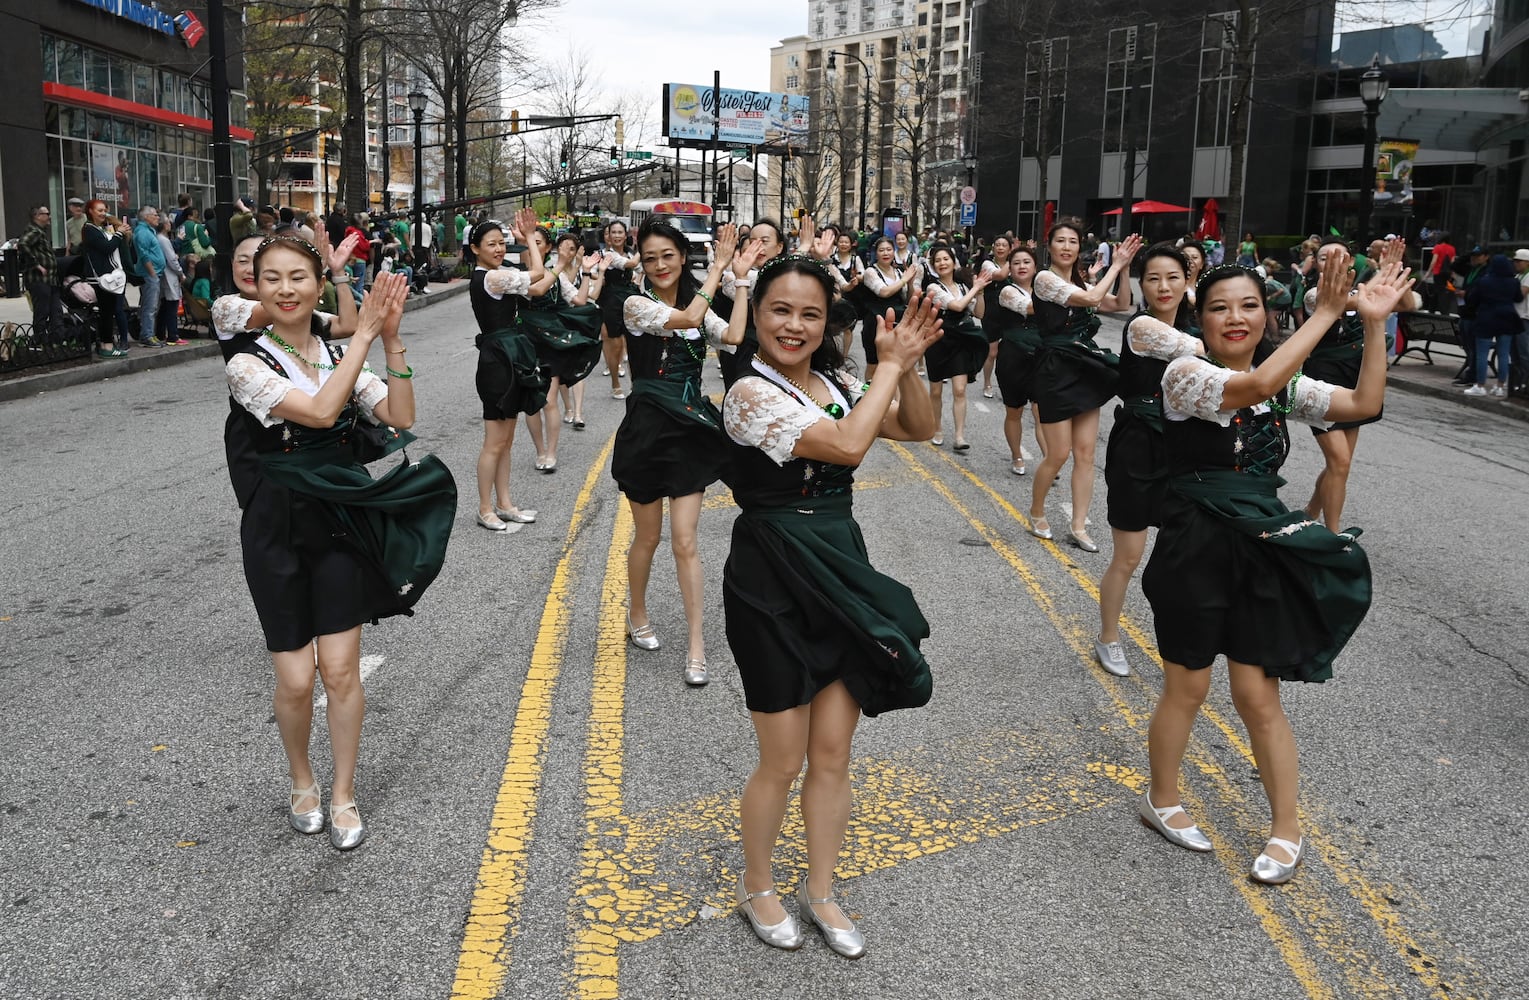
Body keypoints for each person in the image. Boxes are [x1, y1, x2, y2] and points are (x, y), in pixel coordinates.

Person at [1138, 251, 1413, 884]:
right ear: (1199, 319)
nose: (1235, 318)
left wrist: (1372, 322)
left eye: (1249, 305)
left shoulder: (1287, 384)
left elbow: (1364, 403)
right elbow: (1255, 389)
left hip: (1258, 544)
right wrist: (1324, 312)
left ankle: (1287, 826)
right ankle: (1161, 798)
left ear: (1266, 314)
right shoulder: (1184, 374)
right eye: (1219, 308)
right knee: (1188, 685)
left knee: (1258, 694)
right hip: (1194, 548)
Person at [721, 258, 941, 958]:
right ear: (755, 313)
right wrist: (886, 367)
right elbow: (847, 446)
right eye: (780, 310)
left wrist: (902, 365)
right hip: (770, 577)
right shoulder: (746, 395)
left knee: (832, 753)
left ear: (826, 324)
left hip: (839, 565)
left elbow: (920, 428)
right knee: (781, 760)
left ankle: (821, 892)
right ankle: (758, 886)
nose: (794, 325)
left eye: (810, 314)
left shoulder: (841, 382)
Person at [225, 242, 453, 852]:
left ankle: (343, 793)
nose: (285, 288)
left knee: (341, 671)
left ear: (319, 283)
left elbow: (401, 417)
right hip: (275, 528)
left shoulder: (336, 352)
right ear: (257, 288)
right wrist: (363, 338)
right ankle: (303, 781)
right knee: (297, 680)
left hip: (339, 523)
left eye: (298, 275)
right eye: (271, 278)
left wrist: (392, 341)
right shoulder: (248, 364)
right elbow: (323, 412)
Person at [615, 219, 748, 687]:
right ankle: (637, 613)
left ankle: (696, 645)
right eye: (650, 258)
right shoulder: (635, 305)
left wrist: (742, 280)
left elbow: (731, 336)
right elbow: (690, 320)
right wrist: (717, 270)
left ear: (680, 255)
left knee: (686, 541)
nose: (659, 265)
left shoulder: (699, 301)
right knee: (647, 538)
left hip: (689, 429)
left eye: (667, 255)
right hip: (649, 431)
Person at [1095, 245, 1203, 678]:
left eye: (1173, 277)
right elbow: (1202, 350)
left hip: (1185, 447)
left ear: (1186, 280)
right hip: (1139, 447)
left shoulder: (1197, 320)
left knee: (1184, 555)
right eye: (1154, 278)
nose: (1163, 286)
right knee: (1129, 555)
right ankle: (1108, 637)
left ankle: (1180, 637)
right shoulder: (1142, 326)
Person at [1026, 220, 1140, 552]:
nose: (1066, 246)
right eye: (1060, 240)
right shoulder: (1044, 280)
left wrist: (1123, 269)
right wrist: (1115, 265)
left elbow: (1120, 305)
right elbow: (1092, 298)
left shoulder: (1082, 280)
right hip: (1055, 370)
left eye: (1072, 241)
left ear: (1079, 247)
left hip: (1085, 367)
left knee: (1086, 454)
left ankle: (1078, 525)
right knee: (1058, 454)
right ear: (1049, 246)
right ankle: (1036, 511)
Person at [1300, 237, 1419, 530]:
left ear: (1352, 262)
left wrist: (1394, 272)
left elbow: (1405, 303)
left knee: (1340, 465)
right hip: (1323, 377)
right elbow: (1350, 300)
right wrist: (1384, 272)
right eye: (1325, 257)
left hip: (1357, 376)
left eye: (1340, 255)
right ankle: (1333, 536)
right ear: (1316, 263)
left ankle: (1309, 514)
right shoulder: (1315, 293)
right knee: (1339, 461)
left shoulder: (1366, 287)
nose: (1333, 260)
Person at [468, 209, 550, 533]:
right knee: (494, 441)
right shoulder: (491, 278)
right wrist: (529, 238)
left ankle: (505, 504)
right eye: (492, 244)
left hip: (510, 356)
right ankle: (485, 508)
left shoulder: (499, 275)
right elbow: (539, 273)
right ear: (475, 248)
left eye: (502, 243)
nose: (499, 249)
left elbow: (536, 285)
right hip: (497, 360)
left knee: (507, 439)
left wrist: (525, 242)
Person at [517, 227, 603, 471]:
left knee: (548, 400)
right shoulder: (517, 276)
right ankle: (540, 451)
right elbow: (535, 290)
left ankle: (551, 452)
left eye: (537, 242)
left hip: (550, 343)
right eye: (527, 242)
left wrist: (586, 273)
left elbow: (579, 301)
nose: (531, 246)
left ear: (546, 248)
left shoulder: (559, 276)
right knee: (531, 402)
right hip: (525, 342)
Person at [921, 243, 992, 451]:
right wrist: (976, 288)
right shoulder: (933, 288)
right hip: (939, 339)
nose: (942, 263)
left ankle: (960, 436)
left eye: (946, 259)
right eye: (938, 261)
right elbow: (957, 306)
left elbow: (979, 314)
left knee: (960, 389)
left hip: (961, 340)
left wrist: (979, 292)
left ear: (953, 262)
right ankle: (937, 428)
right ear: (933, 266)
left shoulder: (963, 287)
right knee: (935, 390)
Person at [992, 247, 1046, 476]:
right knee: (1014, 411)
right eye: (1016, 263)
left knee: (1041, 410)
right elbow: (1029, 308)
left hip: (1041, 355)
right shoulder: (1007, 291)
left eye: (1027, 262)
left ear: (1035, 267)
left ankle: (1048, 460)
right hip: (1013, 357)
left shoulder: (1044, 289)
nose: (1022, 266)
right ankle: (1017, 455)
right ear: (1009, 268)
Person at [859, 237, 922, 382]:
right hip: (876, 322)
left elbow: (908, 298)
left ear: (893, 252)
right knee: (874, 364)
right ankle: (868, 397)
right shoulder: (870, 271)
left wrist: (910, 282)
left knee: (895, 365)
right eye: (881, 250)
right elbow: (884, 292)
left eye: (889, 250)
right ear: (876, 253)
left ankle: (895, 402)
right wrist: (905, 280)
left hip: (897, 322)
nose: (885, 253)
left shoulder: (899, 273)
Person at [1462, 253, 1523, 397]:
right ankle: (1500, 386)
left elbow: (1472, 299)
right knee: (1503, 354)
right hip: (1507, 318)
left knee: (1482, 354)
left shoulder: (1484, 281)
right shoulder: (1513, 282)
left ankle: (1480, 385)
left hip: (1486, 318)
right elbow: (1518, 298)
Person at [79, 200, 133, 358]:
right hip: (101, 278)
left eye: (104, 210)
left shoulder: (98, 229)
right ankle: (108, 347)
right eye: (99, 210)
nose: (103, 213)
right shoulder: (89, 229)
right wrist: (119, 233)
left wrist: (119, 234)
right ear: (90, 211)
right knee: (107, 313)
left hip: (106, 276)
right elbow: (107, 248)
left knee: (107, 312)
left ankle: (105, 344)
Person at [594, 220, 637, 399]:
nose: (617, 235)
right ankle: (615, 383)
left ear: (625, 234)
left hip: (630, 298)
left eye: (620, 232)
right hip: (611, 300)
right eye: (614, 232)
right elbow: (630, 265)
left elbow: (636, 272)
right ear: (609, 236)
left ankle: (637, 384)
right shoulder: (607, 255)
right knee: (615, 344)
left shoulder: (629, 252)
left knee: (635, 343)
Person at [19, 205, 61, 340]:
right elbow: (22, 244)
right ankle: (40, 341)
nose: (49, 216)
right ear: (37, 216)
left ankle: (57, 340)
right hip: (39, 280)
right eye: (46, 213)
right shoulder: (34, 231)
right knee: (42, 311)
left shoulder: (40, 232)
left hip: (50, 280)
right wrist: (36, 264)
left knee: (56, 311)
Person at [978, 236, 1013, 398]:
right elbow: (1000, 276)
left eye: (1004, 245)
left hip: (1011, 311)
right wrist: (1012, 259)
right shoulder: (988, 264)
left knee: (1009, 351)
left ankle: (1007, 384)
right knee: (992, 352)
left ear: (1009, 248)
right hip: (991, 310)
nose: (1000, 248)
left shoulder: (1017, 265)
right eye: (997, 245)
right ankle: (987, 382)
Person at [132, 206, 168, 347]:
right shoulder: (142, 233)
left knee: (151, 306)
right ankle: (147, 335)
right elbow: (144, 255)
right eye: (154, 215)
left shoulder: (148, 231)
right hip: (149, 275)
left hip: (154, 273)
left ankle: (147, 333)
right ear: (146, 217)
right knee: (150, 306)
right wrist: (152, 273)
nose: (157, 217)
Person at [155, 215, 189, 346]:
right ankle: (173, 335)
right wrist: (180, 272)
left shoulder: (159, 239)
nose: (170, 224)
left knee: (164, 306)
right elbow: (172, 259)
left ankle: (160, 333)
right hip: (170, 275)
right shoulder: (164, 240)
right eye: (168, 223)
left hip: (164, 275)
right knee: (171, 306)